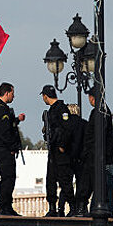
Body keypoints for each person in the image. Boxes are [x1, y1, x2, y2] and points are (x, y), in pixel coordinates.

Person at [73, 86, 113, 217]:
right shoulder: (106, 112)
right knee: (104, 187)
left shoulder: (97, 112)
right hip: (105, 156)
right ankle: (105, 210)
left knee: (101, 186)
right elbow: (110, 135)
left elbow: (95, 136)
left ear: (92, 98)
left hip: (100, 157)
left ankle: (98, 211)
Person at [0, 82, 25, 216]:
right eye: (12, 94)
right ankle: (4, 207)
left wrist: (17, 120)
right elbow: (5, 131)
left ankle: (5, 206)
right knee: (8, 177)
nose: (13, 97)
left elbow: (5, 124)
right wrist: (12, 147)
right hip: (3, 148)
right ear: (7, 93)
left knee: (7, 177)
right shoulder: (1, 109)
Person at [40, 84, 75, 217]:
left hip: (61, 151)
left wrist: (62, 144)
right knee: (51, 180)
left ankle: (73, 207)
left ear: (45, 96)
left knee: (65, 180)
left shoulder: (61, 109)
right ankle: (52, 208)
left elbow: (67, 128)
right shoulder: (50, 111)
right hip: (53, 150)